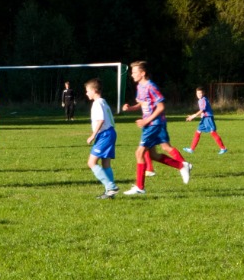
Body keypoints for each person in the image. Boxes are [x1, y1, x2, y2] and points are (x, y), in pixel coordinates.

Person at [118, 61, 191, 196]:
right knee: (153, 155)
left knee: (139, 153)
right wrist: (130, 108)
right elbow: (141, 103)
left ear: (143, 73)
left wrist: (146, 120)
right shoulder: (140, 86)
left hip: (154, 124)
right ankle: (182, 165)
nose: (132, 75)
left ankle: (140, 187)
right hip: (152, 124)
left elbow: (161, 107)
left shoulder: (151, 87)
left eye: (134, 72)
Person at [85, 76, 118, 197]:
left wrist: (92, 135)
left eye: (87, 90)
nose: (86, 93)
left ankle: (111, 187)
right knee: (106, 164)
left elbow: (101, 120)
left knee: (91, 162)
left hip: (104, 134)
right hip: (110, 133)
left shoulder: (97, 103)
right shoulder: (103, 101)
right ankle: (110, 192)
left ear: (94, 91)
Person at [189, 86, 228, 154]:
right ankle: (191, 149)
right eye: (197, 93)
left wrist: (194, 115)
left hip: (208, 118)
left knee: (213, 132)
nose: (199, 95)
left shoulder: (203, 100)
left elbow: (202, 110)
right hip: (204, 118)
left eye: (200, 93)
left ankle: (223, 148)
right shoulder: (200, 100)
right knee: (198, 131)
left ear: (203, 93)